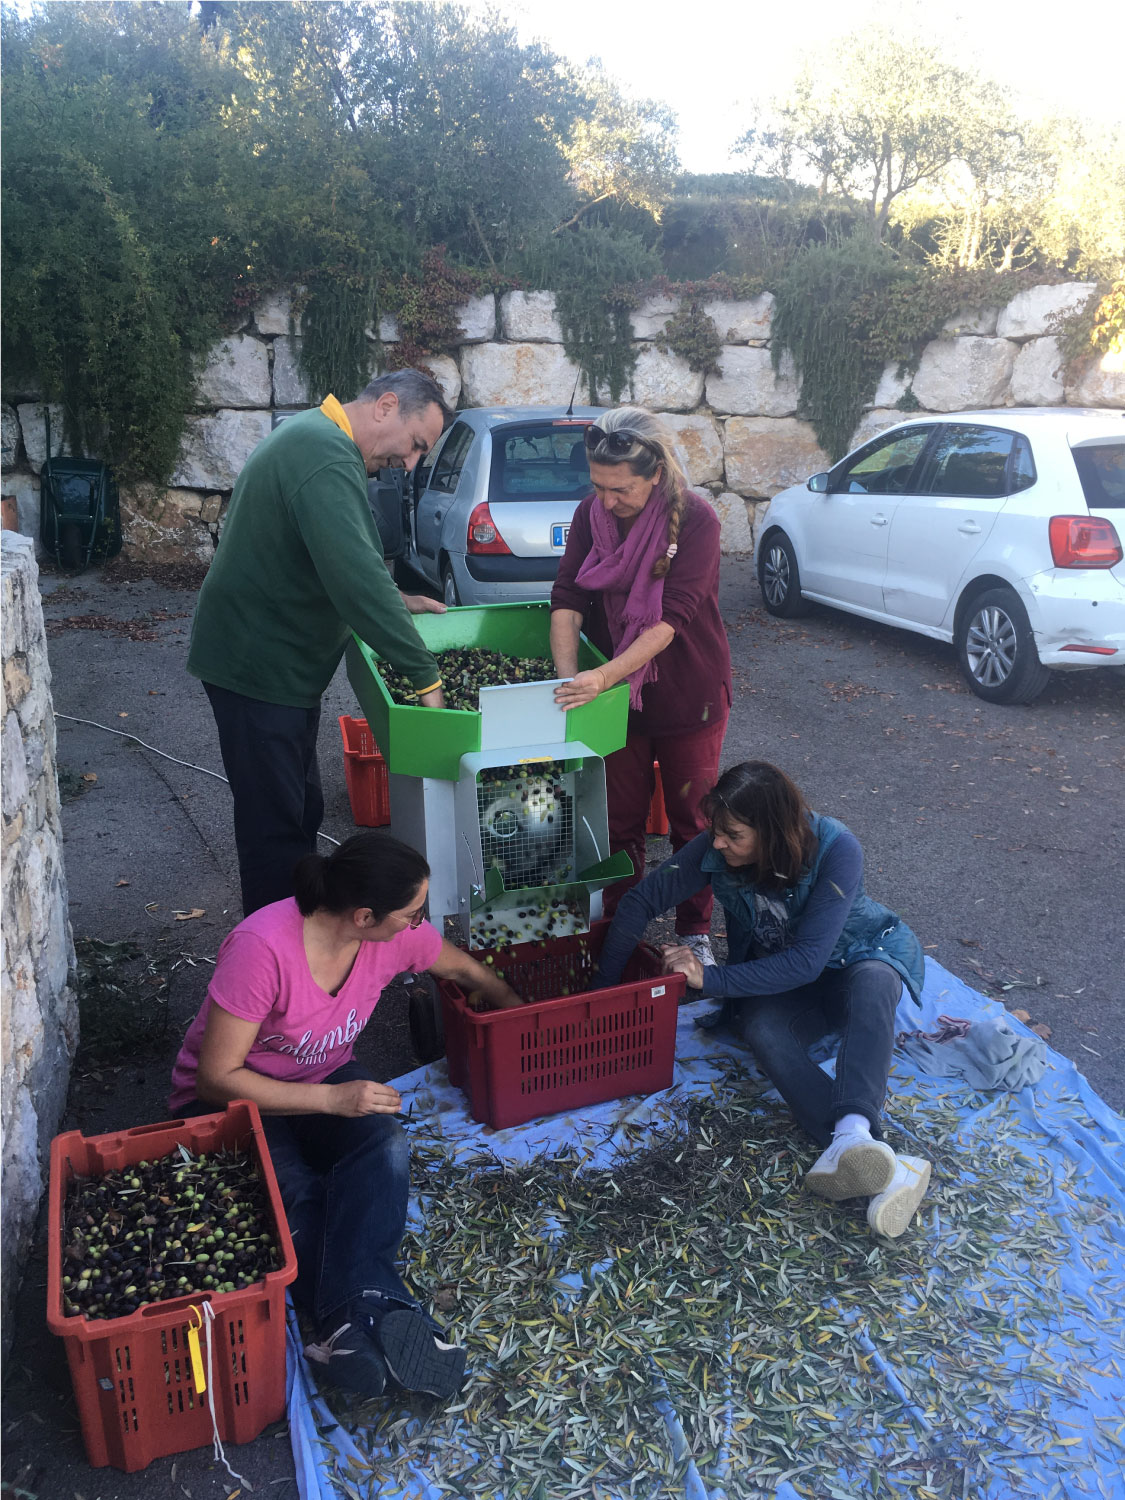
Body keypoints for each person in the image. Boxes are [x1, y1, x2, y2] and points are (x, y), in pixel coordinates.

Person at [168, 831, 524, 1400]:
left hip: (316, 1082)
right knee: (296, 1192)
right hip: (226, 1101)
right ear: (364, 915)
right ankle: (375, 1312)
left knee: (383, 1143)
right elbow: (217, 1075)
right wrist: (334, 1100)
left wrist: (518, 1015)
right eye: (412, 914)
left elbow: (468, 973)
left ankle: (352, 1323)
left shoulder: (392, 938)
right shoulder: (263, 948)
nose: (420, 924)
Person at [594, 760, 931, 1239]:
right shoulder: (715, 849)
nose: (717, 843)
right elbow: (638, 903)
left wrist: (706, 979)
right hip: (786, 982)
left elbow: (807, 962)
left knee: (875, 983)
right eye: (716, 830)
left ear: (771, 831)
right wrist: (600, 997)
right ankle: (874, 1156)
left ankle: (856, 1131)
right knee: (761, 1028)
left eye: (732, 835)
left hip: (856, 957)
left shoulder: (837, 848)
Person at [188, 368, 453, 917]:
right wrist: (426, 678)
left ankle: (298, 935)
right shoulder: (325, 454)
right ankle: (274, 970)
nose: (409, 463)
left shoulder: (314, 435)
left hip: (274, 668)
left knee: (300, 809)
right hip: (260, 668)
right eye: (415, 446)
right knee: (276, 829)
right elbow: (356, 577)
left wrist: (400, 600)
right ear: (385, 406)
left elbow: (331, 558)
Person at [549, 406, 731, 966]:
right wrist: (568, 685)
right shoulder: (590, 516)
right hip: (614, 706)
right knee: (619, 823)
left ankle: (694, 929)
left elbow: (668, 621)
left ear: (655, 474)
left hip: (688, 696)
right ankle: (623, 925)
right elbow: (568, 601)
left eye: (620, 489)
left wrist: (601, 675)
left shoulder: (697, 520)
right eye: (598, 486)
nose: (608, 501)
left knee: (693, 825)